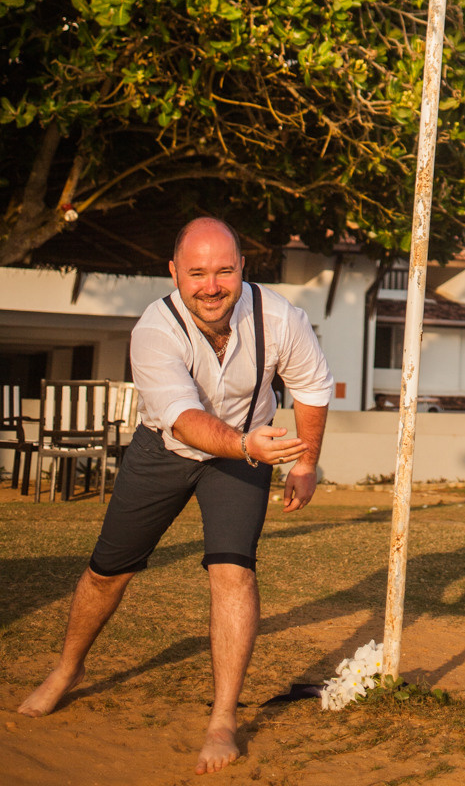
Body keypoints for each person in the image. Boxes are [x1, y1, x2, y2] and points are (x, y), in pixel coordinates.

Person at [19, 216, 334, 775]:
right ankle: (68, 668)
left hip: (244, 455)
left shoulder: (281, 318)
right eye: (196, 273)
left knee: (232, 572)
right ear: (173, 273)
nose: (210, 286)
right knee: (106, 571)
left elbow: (311, 386)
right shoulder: (154, 329)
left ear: (242, 268)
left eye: (222, 271)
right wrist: (244, 444)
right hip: (168, 450)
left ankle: (221, 719)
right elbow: (185, 421)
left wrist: (306, 462)